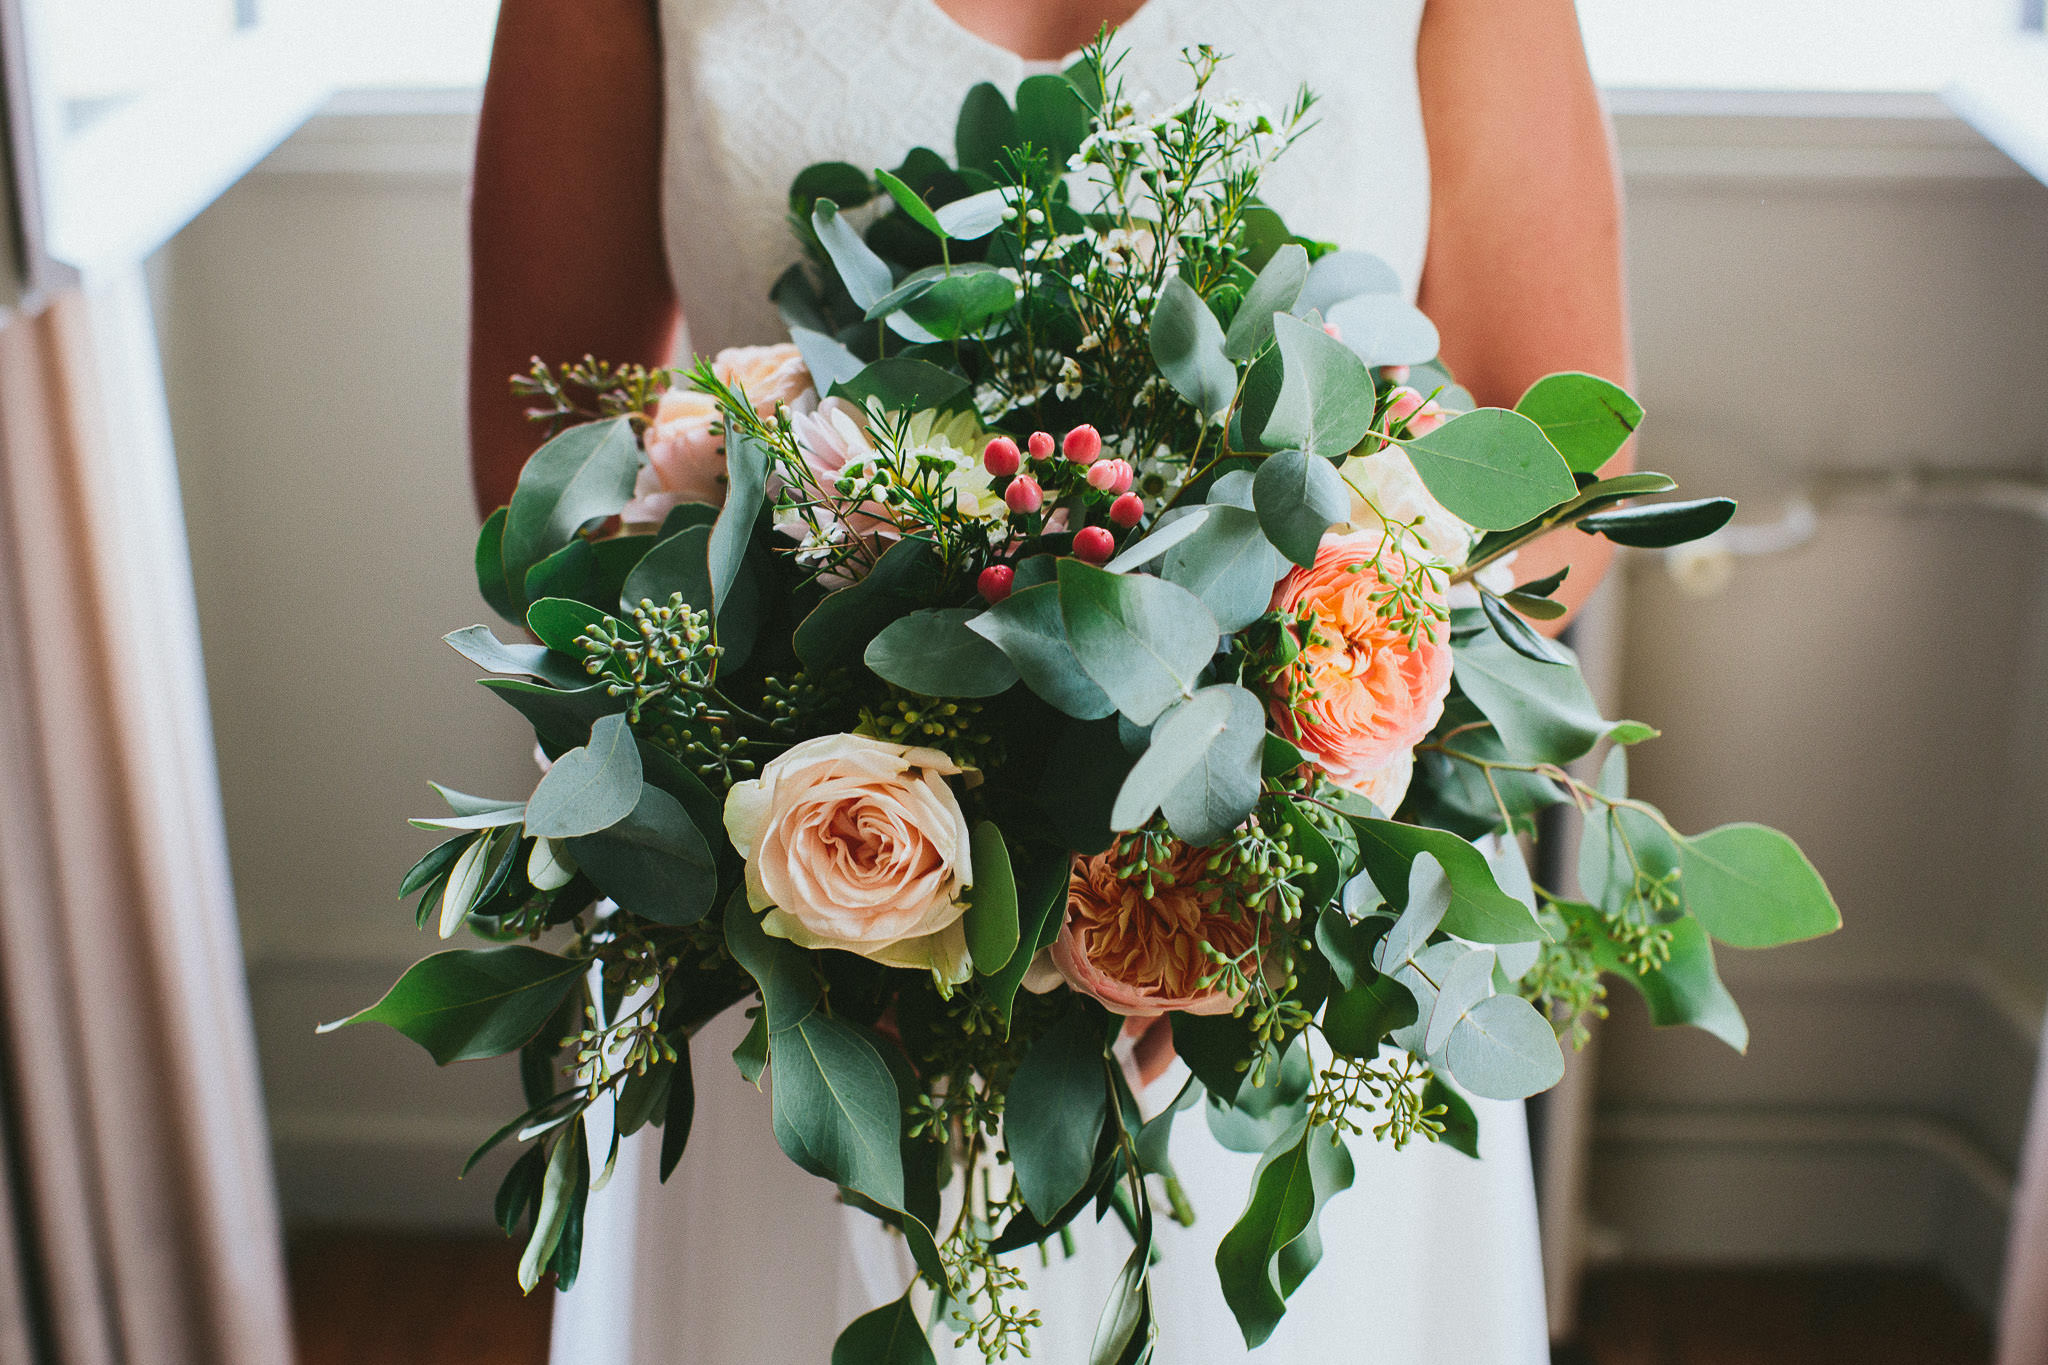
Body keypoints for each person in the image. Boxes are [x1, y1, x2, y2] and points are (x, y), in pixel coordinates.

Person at [469, 1, 1630, 1359]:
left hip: (1280, 946)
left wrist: (1249, 801)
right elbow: (543, 479)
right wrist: (878, 872)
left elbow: (1565, 470)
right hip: (807, 944)